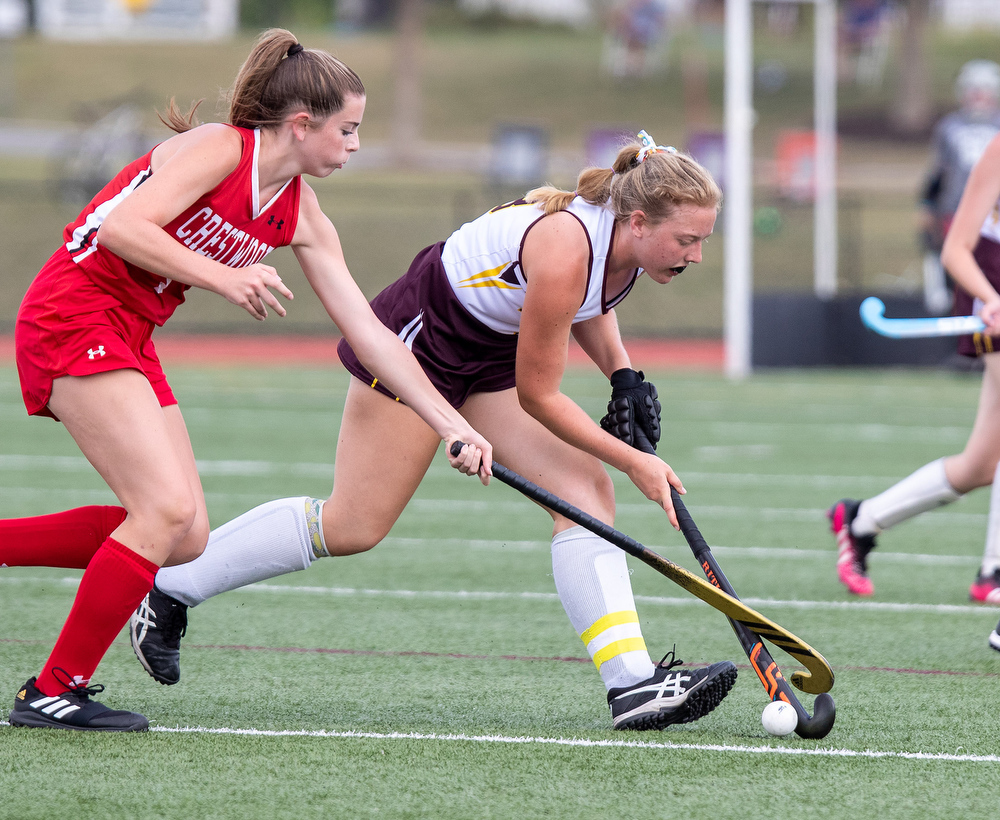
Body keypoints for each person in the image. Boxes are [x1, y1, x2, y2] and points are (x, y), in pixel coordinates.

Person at [130, 130, 739, 732]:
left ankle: (630, 684)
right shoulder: (565, 246)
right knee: (353, 526)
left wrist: (623, 375)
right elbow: (540, 395)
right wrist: (633, 461)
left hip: (485, 357)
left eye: (703, 240)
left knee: (586, 499)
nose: (696, 254)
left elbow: (591, 304)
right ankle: (169, 587)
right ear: (636, 221)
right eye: (688, 239)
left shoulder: (621, 248)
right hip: (415, 349)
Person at [3, 28, 491, 733]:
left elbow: (371, 334)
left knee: (184, 537)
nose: (356, 144)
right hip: (72, 316)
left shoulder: (301, 212)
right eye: (348, 129)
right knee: (163, 513)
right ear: (301, 125)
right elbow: (119, 227)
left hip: (127, 333)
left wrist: (453, 424)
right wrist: (224, 277)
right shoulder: (220, 148)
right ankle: (54, 690)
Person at [829, 132, 1000, 621]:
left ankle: (862, 520)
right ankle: (994, 573)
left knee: (981, 466)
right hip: (991, 290)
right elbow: (956, 252)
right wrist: (990, 299)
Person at [919, 60, 1000, 314]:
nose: (977, 96)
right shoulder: (949, 127)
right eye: (973, 89)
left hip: (995, 216)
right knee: (956, 263)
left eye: (983, 89)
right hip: (957, 209)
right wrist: (926, 205)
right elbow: (937, 172)